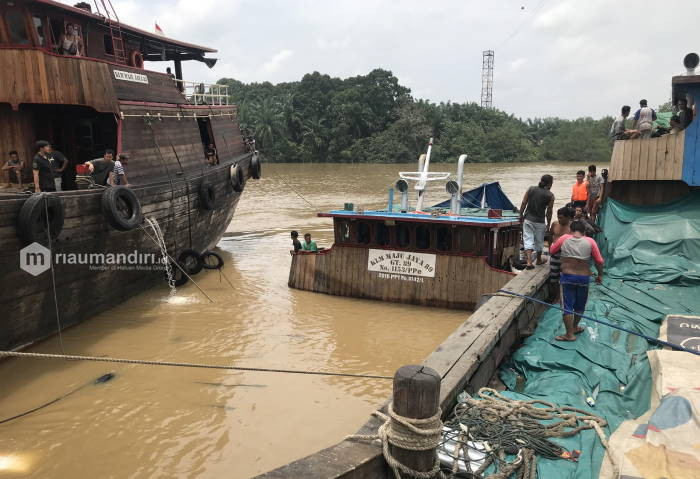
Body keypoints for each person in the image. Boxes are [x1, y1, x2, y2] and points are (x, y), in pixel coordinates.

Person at [549, 221, 604, 342]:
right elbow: (599, 261)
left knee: (567, 306)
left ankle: (569, 334)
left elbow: (552, 251)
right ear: (584, 231)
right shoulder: (590, 241)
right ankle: (574, 327)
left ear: (570, 230)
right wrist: (600, 275)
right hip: (583, 278)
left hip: (567, 277)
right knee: (580, 305)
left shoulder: (564, 238)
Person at [519, 174, 554, 270]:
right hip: (540, 221)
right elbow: (549, 212)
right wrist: (549, 224)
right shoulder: (550, 195)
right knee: (539, 241)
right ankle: (538, 260)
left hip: (528, 219)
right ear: (550, 184)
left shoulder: (531, 189)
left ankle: (529, 262)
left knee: (528, 240)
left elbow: (524, 202)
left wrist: (520, 215)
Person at [549, 207, 573, 287]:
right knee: (553, 277)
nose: (559, 219)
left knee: (564, 277)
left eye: (561, 218)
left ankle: (560, 296)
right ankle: (555, 294)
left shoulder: (572, 227)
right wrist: (550, 247)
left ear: (568, 218)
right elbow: (550, 234)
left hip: (566, 256)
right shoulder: (555, 224)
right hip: (554, 255)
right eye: (558, 217)